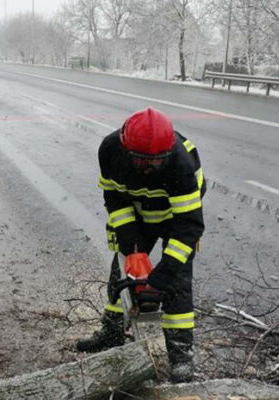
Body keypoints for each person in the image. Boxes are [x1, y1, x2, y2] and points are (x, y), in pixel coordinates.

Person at [76, 107, 205, 383]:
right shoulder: (110, 150)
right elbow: (114, 199)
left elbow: (189, 226)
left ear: (167, 153)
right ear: (126, 148)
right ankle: (111, 335)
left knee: (178, 282)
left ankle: (181, 355)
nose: (148, 167)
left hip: (177, 219)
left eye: (156, 161)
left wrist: (162, 276)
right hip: (137, 215)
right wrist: (132, 245)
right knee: (122, 275)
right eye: (141, 160)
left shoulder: (181, 163)